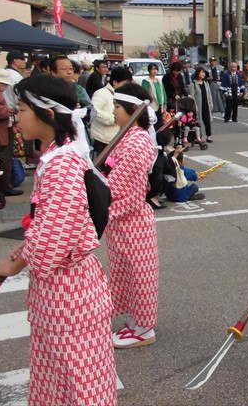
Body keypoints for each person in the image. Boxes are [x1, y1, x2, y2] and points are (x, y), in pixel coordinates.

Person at [0, 74, 117, 404]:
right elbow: (47, 227)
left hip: (68, 297)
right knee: (63, 380)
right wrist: (23, 250)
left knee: (77, 382)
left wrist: (18, 260)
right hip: (65, 292)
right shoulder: (59, 154)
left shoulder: (62, 164)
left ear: (46, 113)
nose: (15, 117)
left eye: (21, 109)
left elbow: (51, 245)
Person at [107, 83, 160, 348]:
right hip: (120, 221)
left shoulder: (136, 141)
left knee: (139, 275)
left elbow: (126, 189)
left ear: (131, 109)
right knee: (125, 274)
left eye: (117, 107)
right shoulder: (126, 136)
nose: (114, 111)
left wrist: (101, 208)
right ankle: (134, 321)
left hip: (131, 220)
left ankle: (144, 328)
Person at [90, 67, 132, 156]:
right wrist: (114, 119)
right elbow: (94, 111)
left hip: (116, 138)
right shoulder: (101, 93)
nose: (127, 86)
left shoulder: (122, 95)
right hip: (102, 139)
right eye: (124, 83)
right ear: (115, 82)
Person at [188, 66, 214, 143]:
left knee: (207, 121)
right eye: (201, 72)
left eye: (204, 72)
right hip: (197, 106)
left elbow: (209, 94)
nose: (203, 74)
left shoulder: (206, 83)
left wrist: (211, 103)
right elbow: (191, 97)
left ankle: (209, 136)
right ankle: (198, 137)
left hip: (206, 104)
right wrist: (193, 106)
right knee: (197, 121)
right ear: (197, 73)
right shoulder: (193, 83)